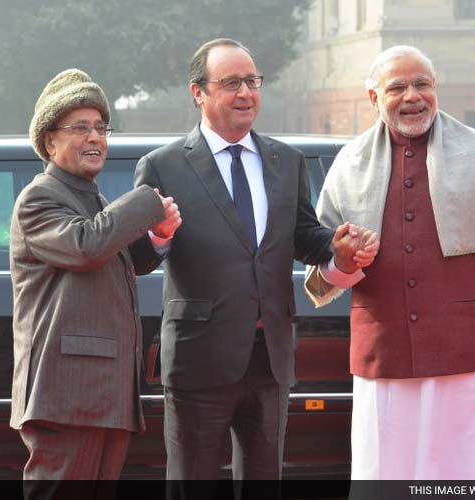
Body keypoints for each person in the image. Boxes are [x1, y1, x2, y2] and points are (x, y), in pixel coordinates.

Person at [133, 38, 377, 495]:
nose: (246, 93)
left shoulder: (286, 161)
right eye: (231, 83)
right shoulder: (163, 166)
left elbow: (305, 235)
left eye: (252, 81)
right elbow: (139, 259)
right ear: (198, 92)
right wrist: (160, 234)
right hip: (199, 358)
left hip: (271, 356)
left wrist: (337, 250)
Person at [305, 45, 475, 481]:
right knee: (386, 479)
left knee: (468, 479)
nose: (413, 96)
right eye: (397, 87)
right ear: (374, 99)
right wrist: (345, 260)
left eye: (423, 84)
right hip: (385, 364)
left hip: (468, 364)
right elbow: (328, 276)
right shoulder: (349, 164)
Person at [9, 68, 181, 496]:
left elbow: (111, 257)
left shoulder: (93, 198)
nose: (95, 138)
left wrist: (157, 239)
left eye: (101, 128)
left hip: (104, 394)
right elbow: (85, 247)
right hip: (67, 395)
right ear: (49, 142)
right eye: (80, 128)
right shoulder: (40, 196)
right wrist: (146, 200)